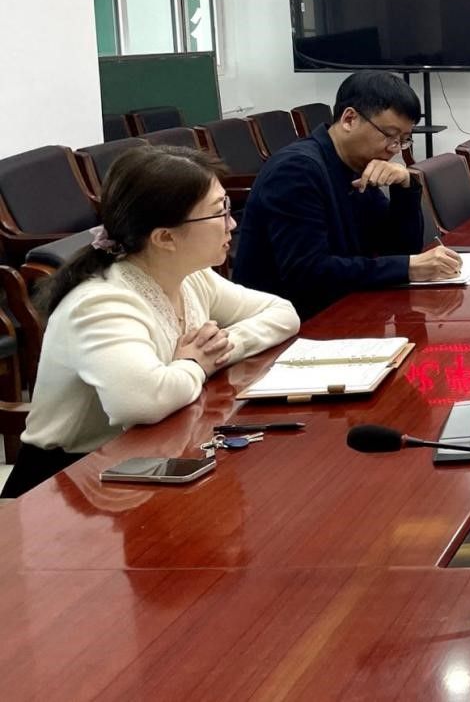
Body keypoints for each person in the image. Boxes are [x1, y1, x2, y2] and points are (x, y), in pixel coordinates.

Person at [2, 146, 299, 498]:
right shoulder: (101, 302)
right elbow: (141, 402)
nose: (231, 223)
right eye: (219, 211)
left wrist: (219, 348)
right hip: (67, 485)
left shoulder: (189, 276)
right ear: (165, 238)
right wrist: (194, 365)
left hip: (144, 458)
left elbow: (283, 314)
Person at [233, 71, 462, 319]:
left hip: (343, 308)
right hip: (289, 323)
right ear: (350, 119)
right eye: (389, 135)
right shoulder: (296, 171)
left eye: (403, 140)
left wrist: (405, 187)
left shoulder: (356, 164)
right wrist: (407, 268)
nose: (394, 149)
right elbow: (308, 274)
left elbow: (398, 249)